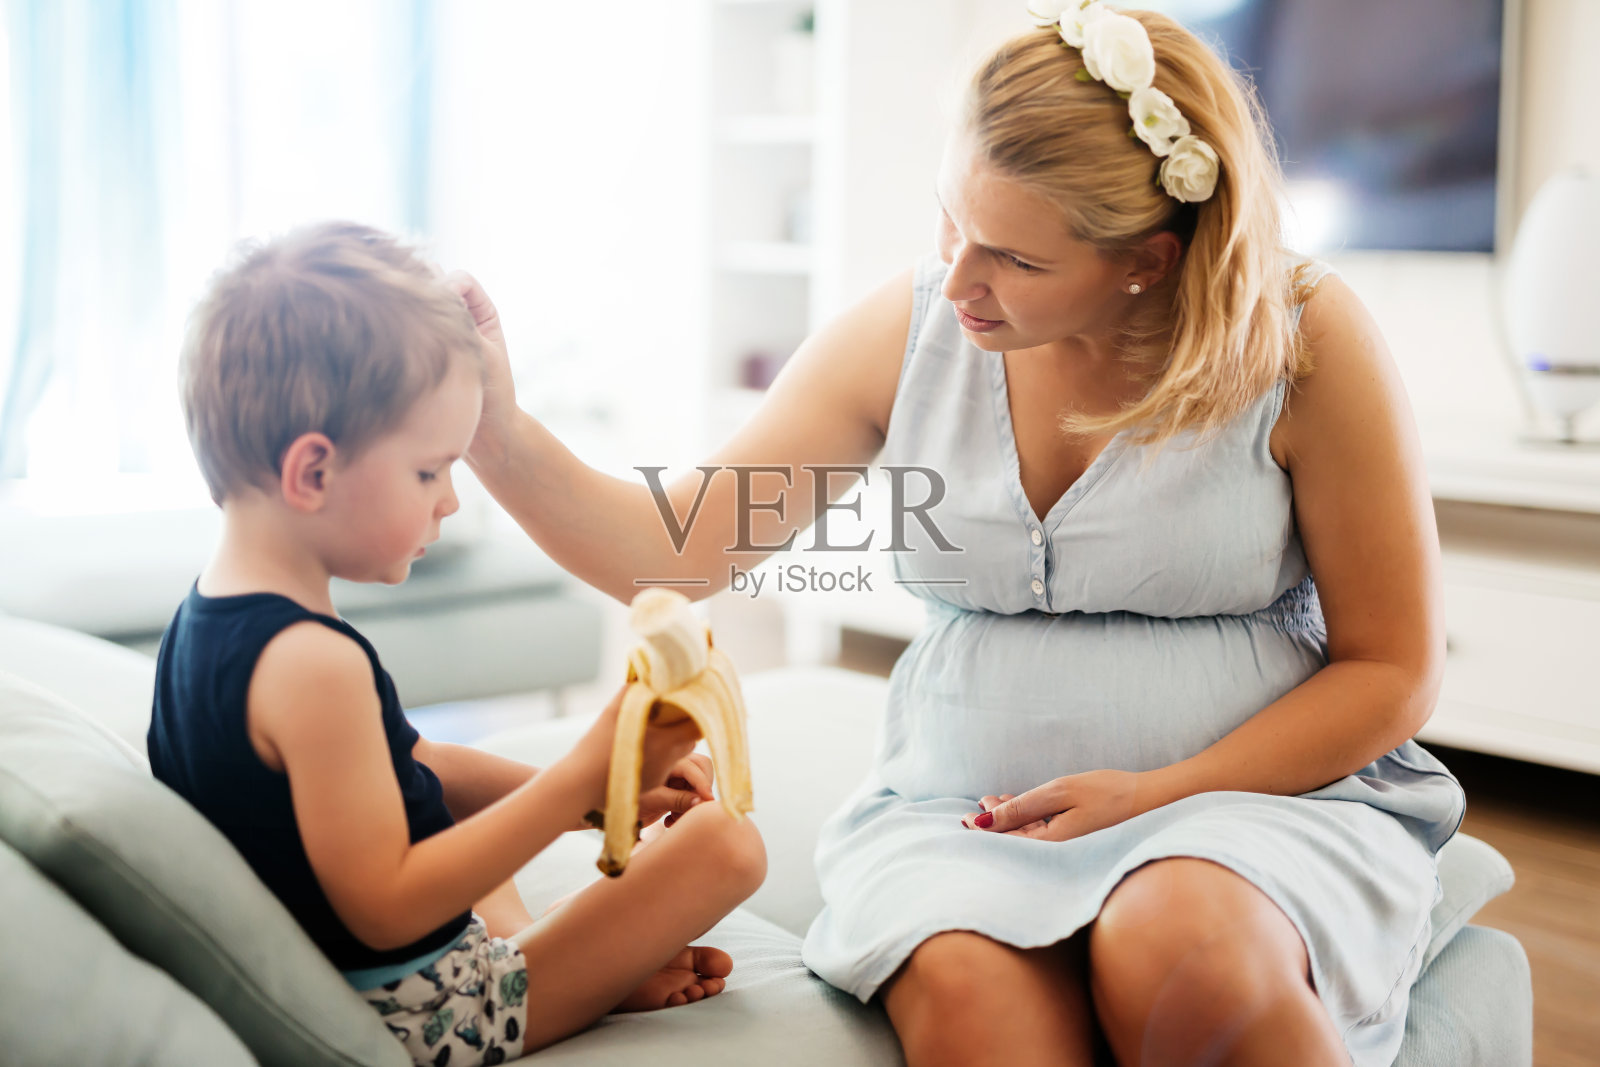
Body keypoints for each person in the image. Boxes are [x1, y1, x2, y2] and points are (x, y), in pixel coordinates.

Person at [454, 4, 1464, 1064]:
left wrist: (1159, 792)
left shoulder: (1305, 338)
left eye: (1016, 260)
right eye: (951, 219)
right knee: (977, 1007)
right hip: (961, 817)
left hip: (1248, 806)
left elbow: (1392, 666)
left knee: (1182, 952)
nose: (959, 277)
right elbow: (676, 549)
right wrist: (498, 434)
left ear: (1147, 262)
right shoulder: (912, 328)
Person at [146, 222, 766, 1067]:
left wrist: (617, 798)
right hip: (419, 1018)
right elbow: (389, 909)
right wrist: (591, 767)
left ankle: (576, 957)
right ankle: (574, 969)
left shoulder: (209, 619)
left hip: (371, 976)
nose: (450, 504)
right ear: (313, 472)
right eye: (430, 470)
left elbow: (416, 769)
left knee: (454, 805)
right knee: (726, 844)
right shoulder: (311, 665)